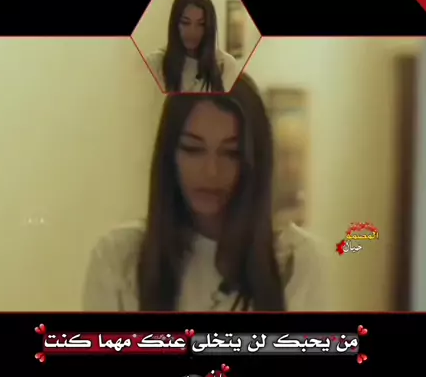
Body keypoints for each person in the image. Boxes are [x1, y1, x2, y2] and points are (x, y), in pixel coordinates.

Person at [83, 73, 327, 312]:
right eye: (193, 149)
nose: (211, 171)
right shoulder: (118, 259)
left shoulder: (296, 262)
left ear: (253, 160)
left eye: (230, 153)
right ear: (170, 155)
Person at [146, 0, 239, 94]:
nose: (192, 32)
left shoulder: (225, 65)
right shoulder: (155, 63)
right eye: (185, 23)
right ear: (175, 24)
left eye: (201, 24)